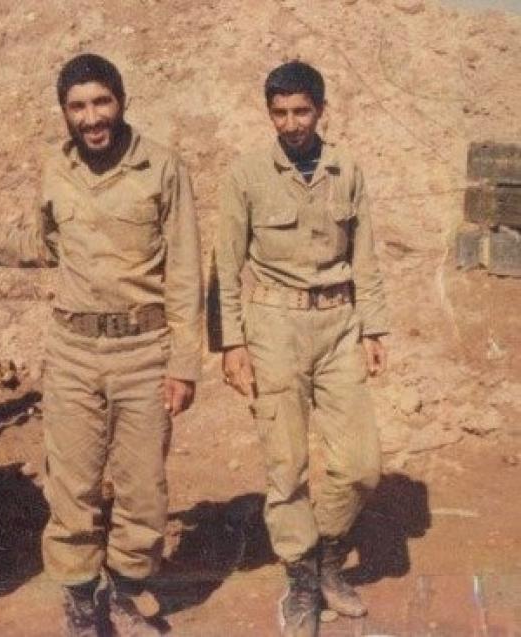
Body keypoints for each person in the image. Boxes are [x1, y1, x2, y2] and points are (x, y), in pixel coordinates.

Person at [0, 53, 203, 636]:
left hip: (143, 349)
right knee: (72, 486)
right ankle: (81, 600)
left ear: (122, 101)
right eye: (77, 106)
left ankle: (128, 591)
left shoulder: (162, 166)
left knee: (143, 488)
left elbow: (185, 270)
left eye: (101, 101)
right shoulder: (54, 167)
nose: (91, 117)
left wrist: (184, 363)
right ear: (64, 112)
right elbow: (47, 245)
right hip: (73, 351)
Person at [212, 60, 388, 637]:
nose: (291, 123)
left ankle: (329, 555)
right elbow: (226, 264)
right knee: (286, 465)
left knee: (360, 465)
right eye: (280, 113)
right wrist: (232, 343)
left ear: (321, 110)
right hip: (273, 326)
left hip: (338, 324)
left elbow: (365, 256)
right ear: (270, 114)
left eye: (302, 111)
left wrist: (374, 328)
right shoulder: (246, 174)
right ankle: (302, 580)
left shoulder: (346, 169)